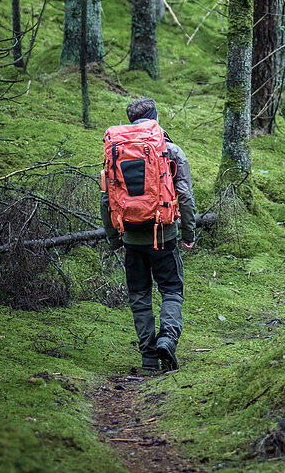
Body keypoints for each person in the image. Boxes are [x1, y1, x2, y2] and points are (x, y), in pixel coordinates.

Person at [101, 97, 196, 373]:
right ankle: (167, 339)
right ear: (154, 117)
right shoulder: (171, 150)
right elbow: (186, 197)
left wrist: (114, 239)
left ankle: (148, 358)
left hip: (131, 237)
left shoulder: (115, 152)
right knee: (171, 290)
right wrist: (188, 234)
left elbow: (106, 201)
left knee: (140, 296)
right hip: (164, 235)